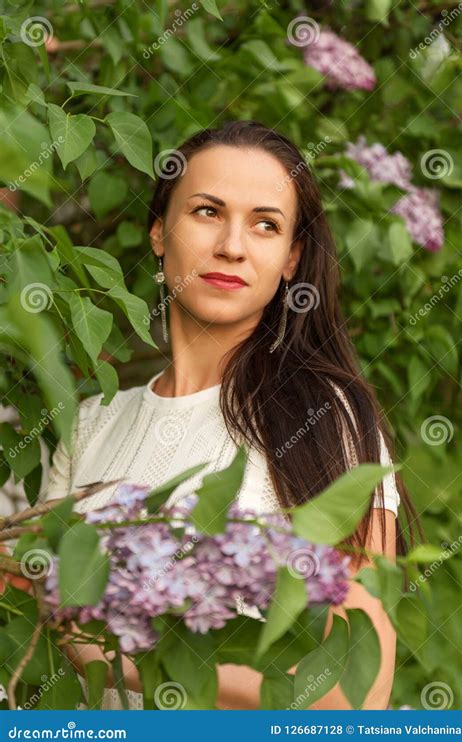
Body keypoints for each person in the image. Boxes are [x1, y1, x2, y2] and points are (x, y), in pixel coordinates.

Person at [43, 120, 421, 710]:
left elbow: (355, 693)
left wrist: (126, 657)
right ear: (158, 232)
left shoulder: (326, 417)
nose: (232, 247)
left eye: (265, 225)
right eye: (206, 212)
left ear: (292, 257)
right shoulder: (90, 425)